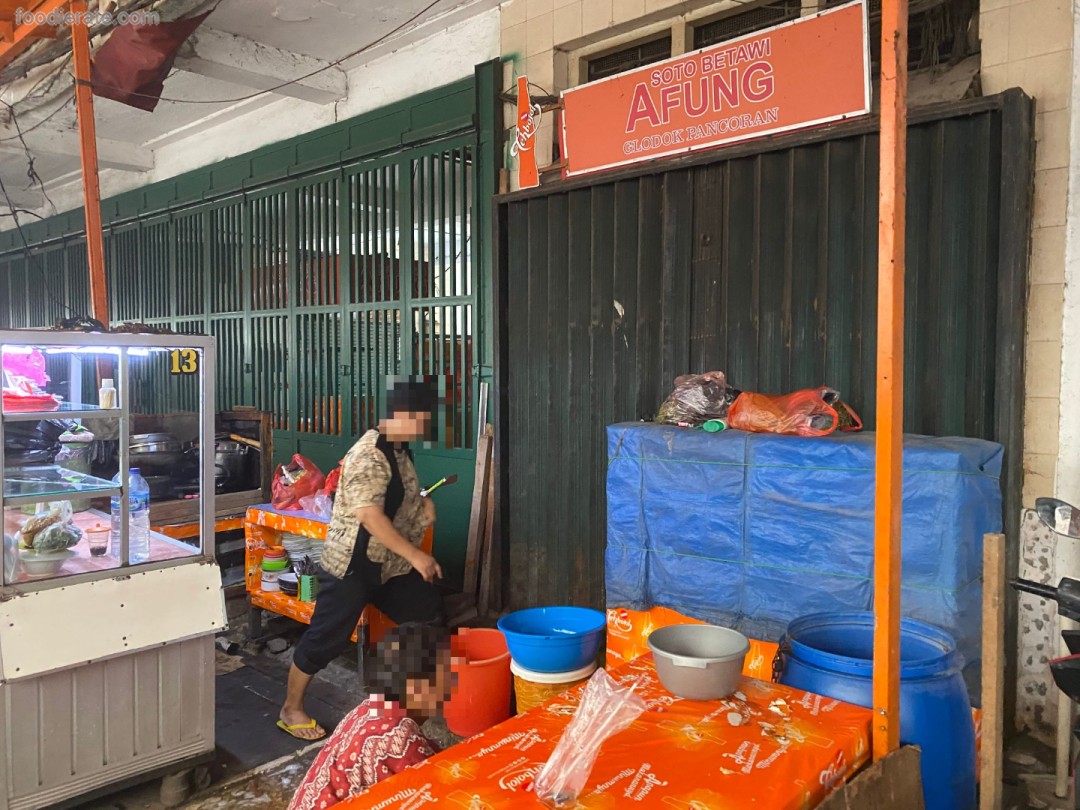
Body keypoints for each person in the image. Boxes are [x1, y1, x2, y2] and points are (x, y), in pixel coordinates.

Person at [278, 377, 446, 741]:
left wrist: (422, 504)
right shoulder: (369, 453)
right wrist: (417, 556)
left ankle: (402, 701)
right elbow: (369, 515)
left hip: (388, 566)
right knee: (326, 638)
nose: (428, 427)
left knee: (428, 614)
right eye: (425, 418)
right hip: (352, 566)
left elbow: (396, 496)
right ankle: (291, 708)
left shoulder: (399, 449)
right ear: (404, 414)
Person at [288, 624, 452, 810]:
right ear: (419, 688)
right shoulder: (399, 739)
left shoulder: (369, 708)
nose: (450, 688)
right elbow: (432, 793)